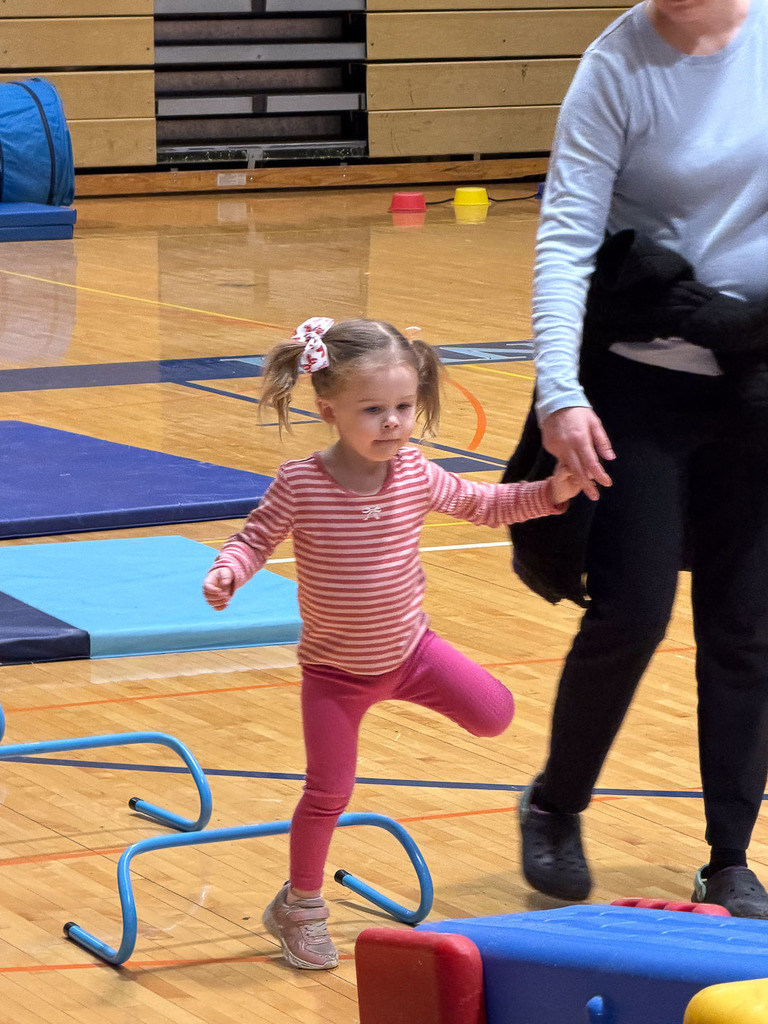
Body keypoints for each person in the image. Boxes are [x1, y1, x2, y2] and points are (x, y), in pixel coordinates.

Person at [203, 316, 580, 970]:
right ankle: (300, 906)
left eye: (404, 407)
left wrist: (550, 494)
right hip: (335, 677)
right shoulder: (302, 483)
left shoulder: (414, 473)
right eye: (373, 410)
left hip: (411, 655)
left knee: (496, 714)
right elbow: (255, 537)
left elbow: (484, 504)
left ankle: (303, 900)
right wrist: (228, 570)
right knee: (328, 792)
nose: (393, 422)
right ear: (330, 411)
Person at [518, 0, 768, 917]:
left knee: (745, 625)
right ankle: (555, 803)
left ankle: (730, 857)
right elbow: (567, 237)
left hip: (753, 381)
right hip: (637, 383)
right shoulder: (613, 66)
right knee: (634, 608)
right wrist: (559, 393)